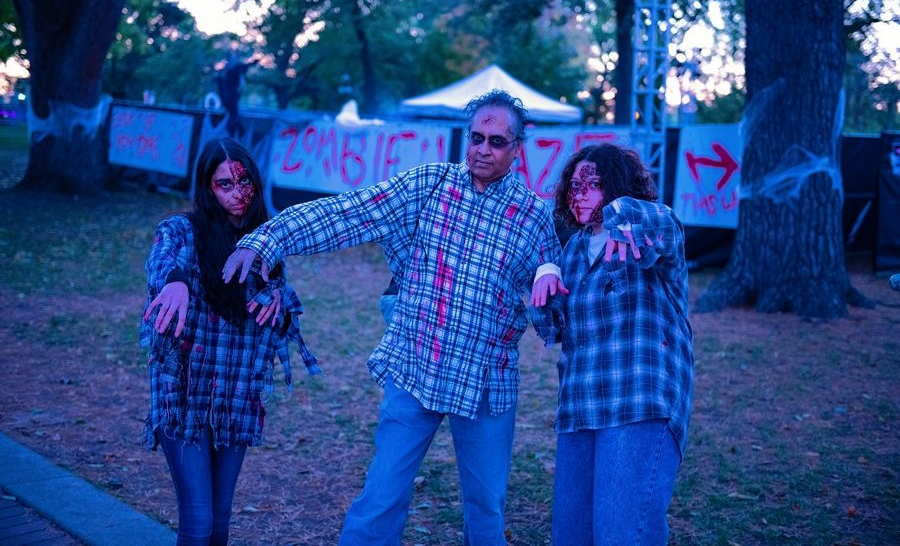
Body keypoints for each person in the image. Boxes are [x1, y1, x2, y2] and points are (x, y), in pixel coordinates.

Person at [222, 89, 561, 545]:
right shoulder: (429, 185)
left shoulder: (535, 218)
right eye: (476, 137)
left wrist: (550, 286)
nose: (483, 149)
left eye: (497, 141)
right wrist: (267, 239)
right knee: (380, 498)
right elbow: (348, 213)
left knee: (486, 511)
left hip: (485, 382)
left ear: (517, 148)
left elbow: (553, 312)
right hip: (416, 365)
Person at [141, 138, 320, 546]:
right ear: (207, 189)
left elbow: (277, 317)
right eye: (224, 185)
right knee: (198, 522)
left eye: (244, 182)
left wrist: (278, 300)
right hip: (184, 397)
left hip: (237, 399)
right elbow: (162, 262)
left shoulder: (265, 245)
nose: (238, 194)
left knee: (220, 525)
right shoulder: (181, 231)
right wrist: (175, 285)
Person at [530, 144, 694, 546]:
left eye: (595, 184)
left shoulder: (653, 227)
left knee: (622, 534)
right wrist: (543, 282)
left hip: (639, 402)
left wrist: (621, 215)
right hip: (580, 407)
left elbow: (656, 222)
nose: (580, 193)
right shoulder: (571, 249)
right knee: (571, 536)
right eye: (574, 184)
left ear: (619, 187)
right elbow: (554, 331)